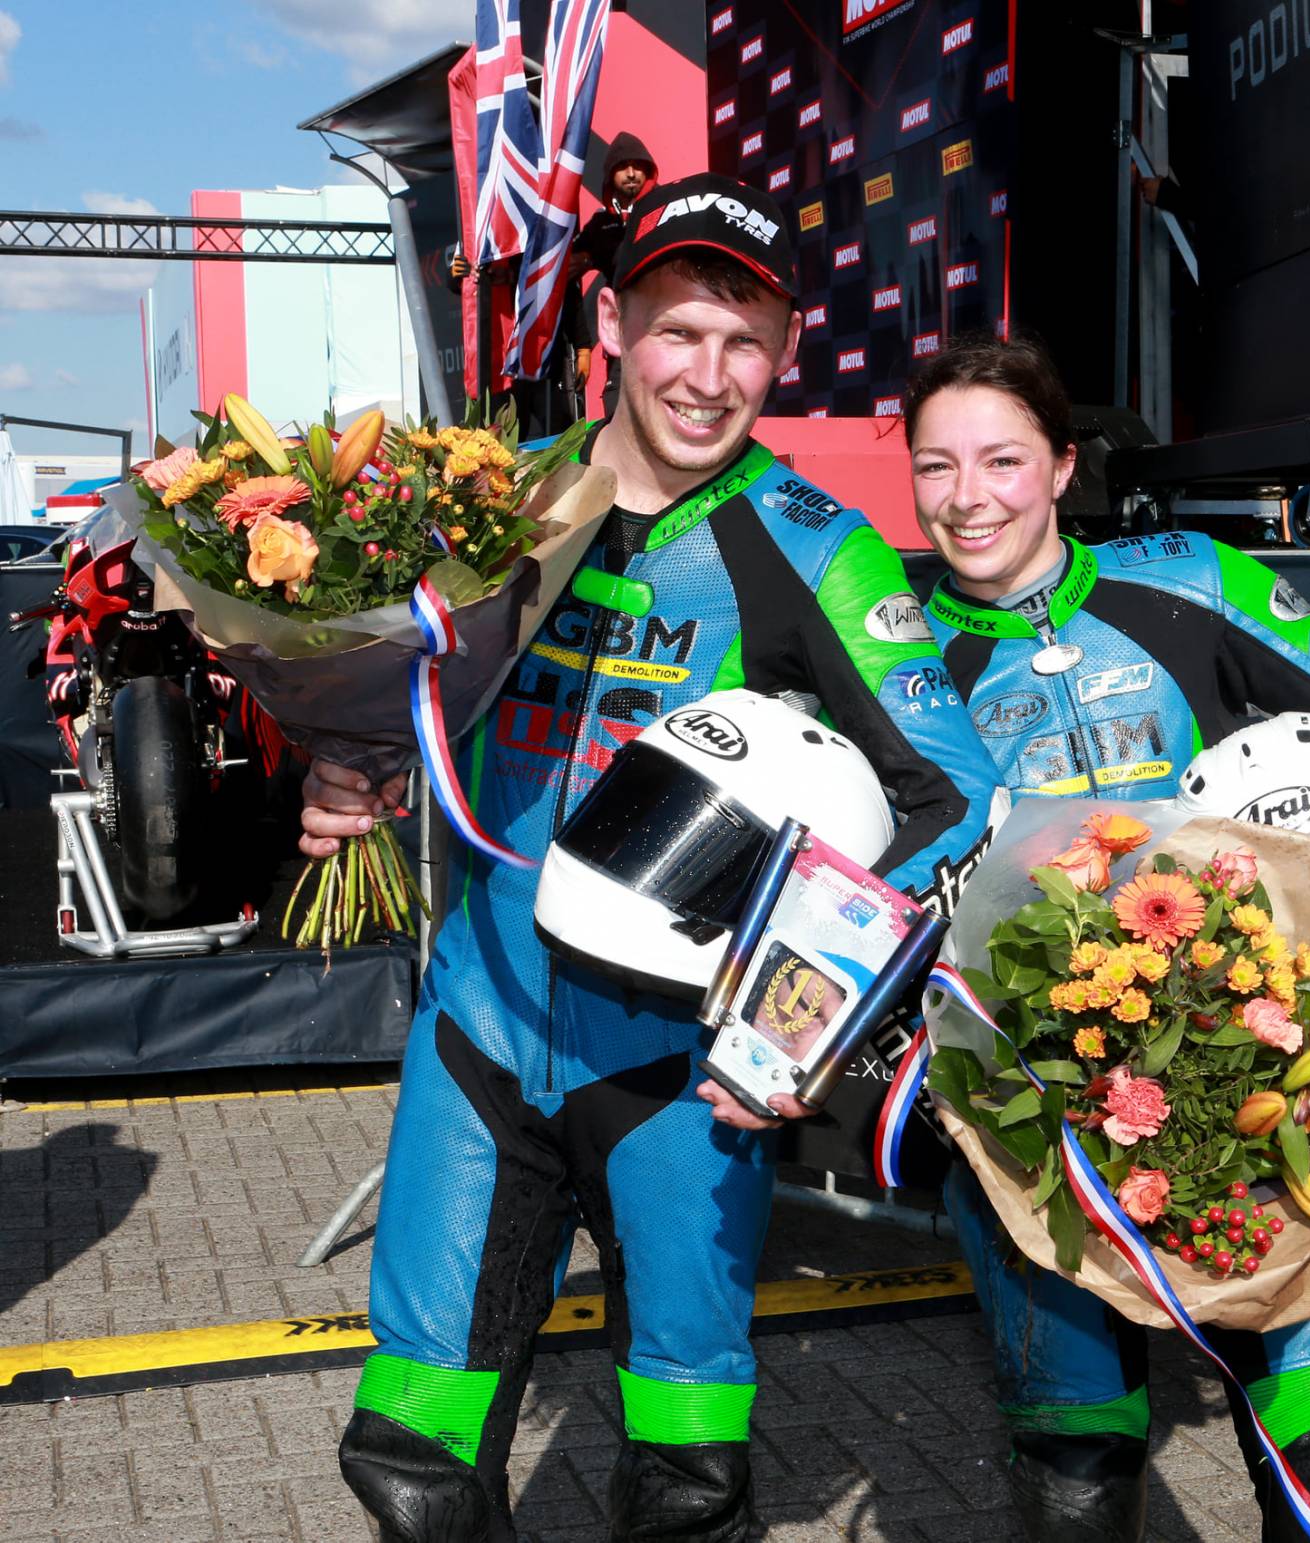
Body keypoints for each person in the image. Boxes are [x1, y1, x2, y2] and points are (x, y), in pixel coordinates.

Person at [301, 173, 1002, 1542]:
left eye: (744, 342)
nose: (707, 374)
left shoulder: (816, 548)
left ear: (784, 352)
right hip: (480, 1026)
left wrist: (794, 1020)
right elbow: (405, 702)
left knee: (686, 1477)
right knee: (411, 1456)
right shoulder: (496, 502)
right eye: (678, 329)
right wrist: (348, 767)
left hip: (681, 1069)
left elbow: (952, 796)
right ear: (613, 325)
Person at [899, 331, 1310, 1543]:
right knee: (1077, 1471)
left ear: (1062, 465)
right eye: (935, 465)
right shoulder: (884, 644)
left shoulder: (1187, 576)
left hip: (1248, 1075)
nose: (967, 496)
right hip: (1038, 1107)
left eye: (1000, 459)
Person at [572, 133, 659, 418]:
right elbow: (564, 266)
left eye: (638, 166)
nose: (632, 173)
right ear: (611, 175)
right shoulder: (601, 223)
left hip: (661, 330)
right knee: (616, 408)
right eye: (623, 167)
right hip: (622, 334)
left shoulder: (665, 208)